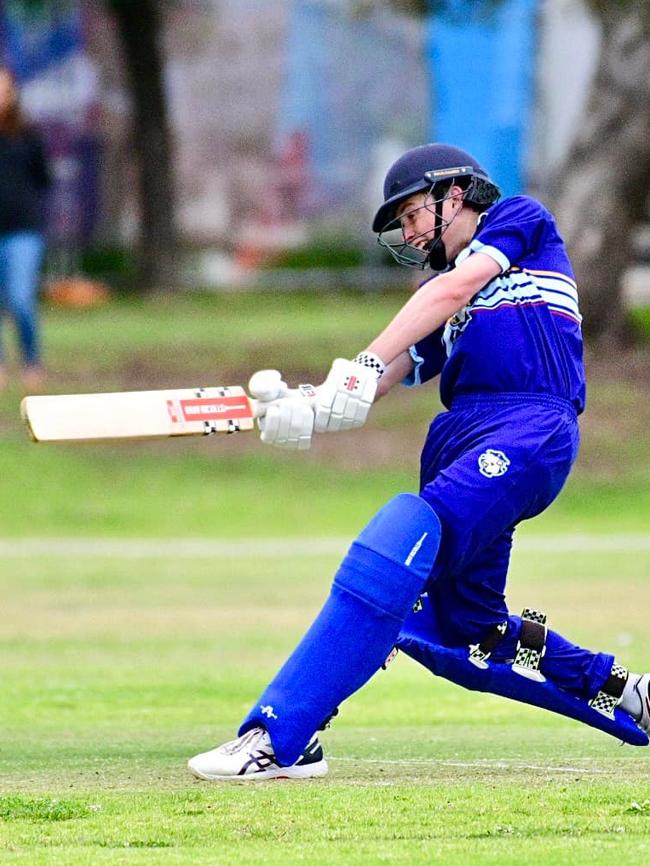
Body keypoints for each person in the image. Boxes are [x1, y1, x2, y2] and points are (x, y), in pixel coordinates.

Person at [188, 143, 649, 781]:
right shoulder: (447, 304)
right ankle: (628, 696)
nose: (407, 233)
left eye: (409, 215)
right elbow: (380, 378)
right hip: (460, 438)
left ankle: (283, 733)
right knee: (467, 633)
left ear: (453, 194)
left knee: (397, 549)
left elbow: (448, 292)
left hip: (528, 424)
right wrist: (307, 406)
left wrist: (365, 361)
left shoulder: (519, 222)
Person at [0, 66, 50, 391]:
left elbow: (43, 179)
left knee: (19, 299)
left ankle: (32, 361)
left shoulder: (28, 136)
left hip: (22, 231)